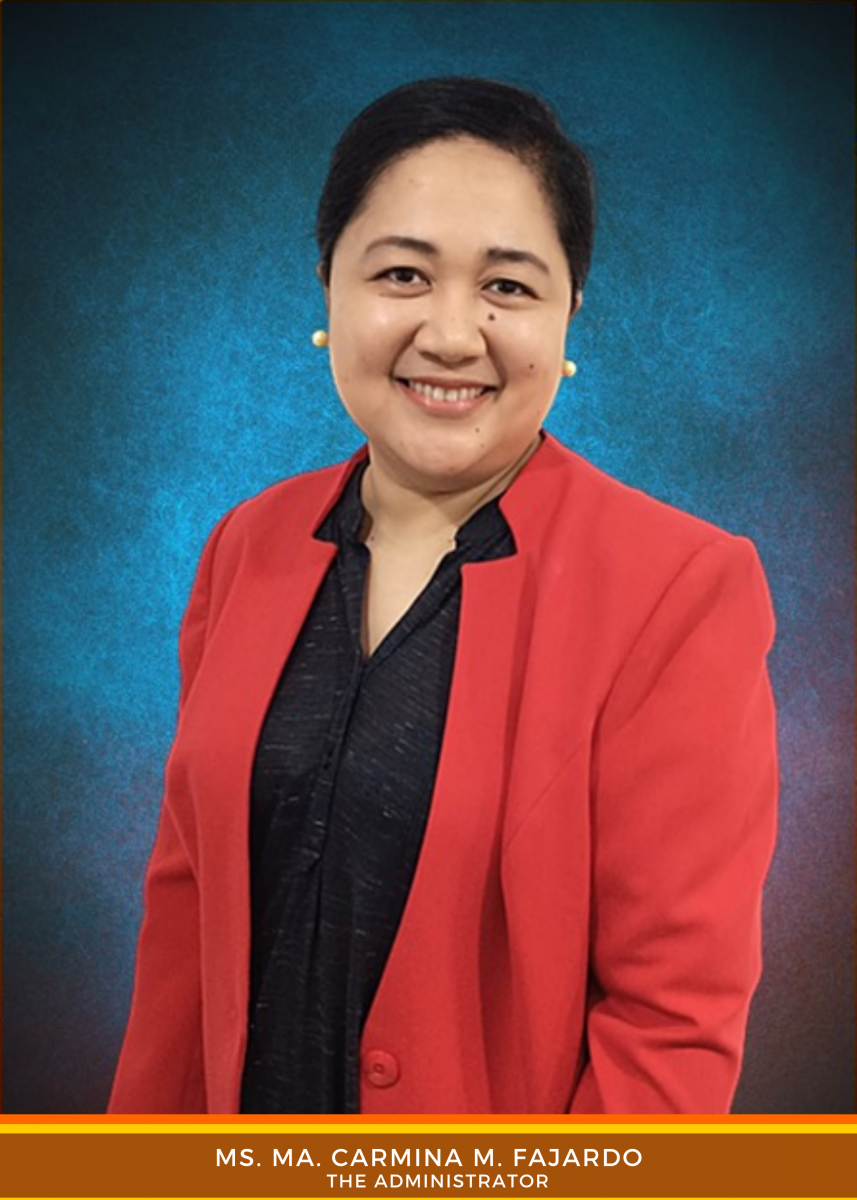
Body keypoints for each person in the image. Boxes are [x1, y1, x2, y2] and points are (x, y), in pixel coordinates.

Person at [108, 77, 778, 1115]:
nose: (453, 335)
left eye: (506, 286)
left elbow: (669, 1027)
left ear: (568, 317)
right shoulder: (247, 544)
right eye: (402, 275)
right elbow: (184, 927)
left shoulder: (678, 589)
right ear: (328, 289)